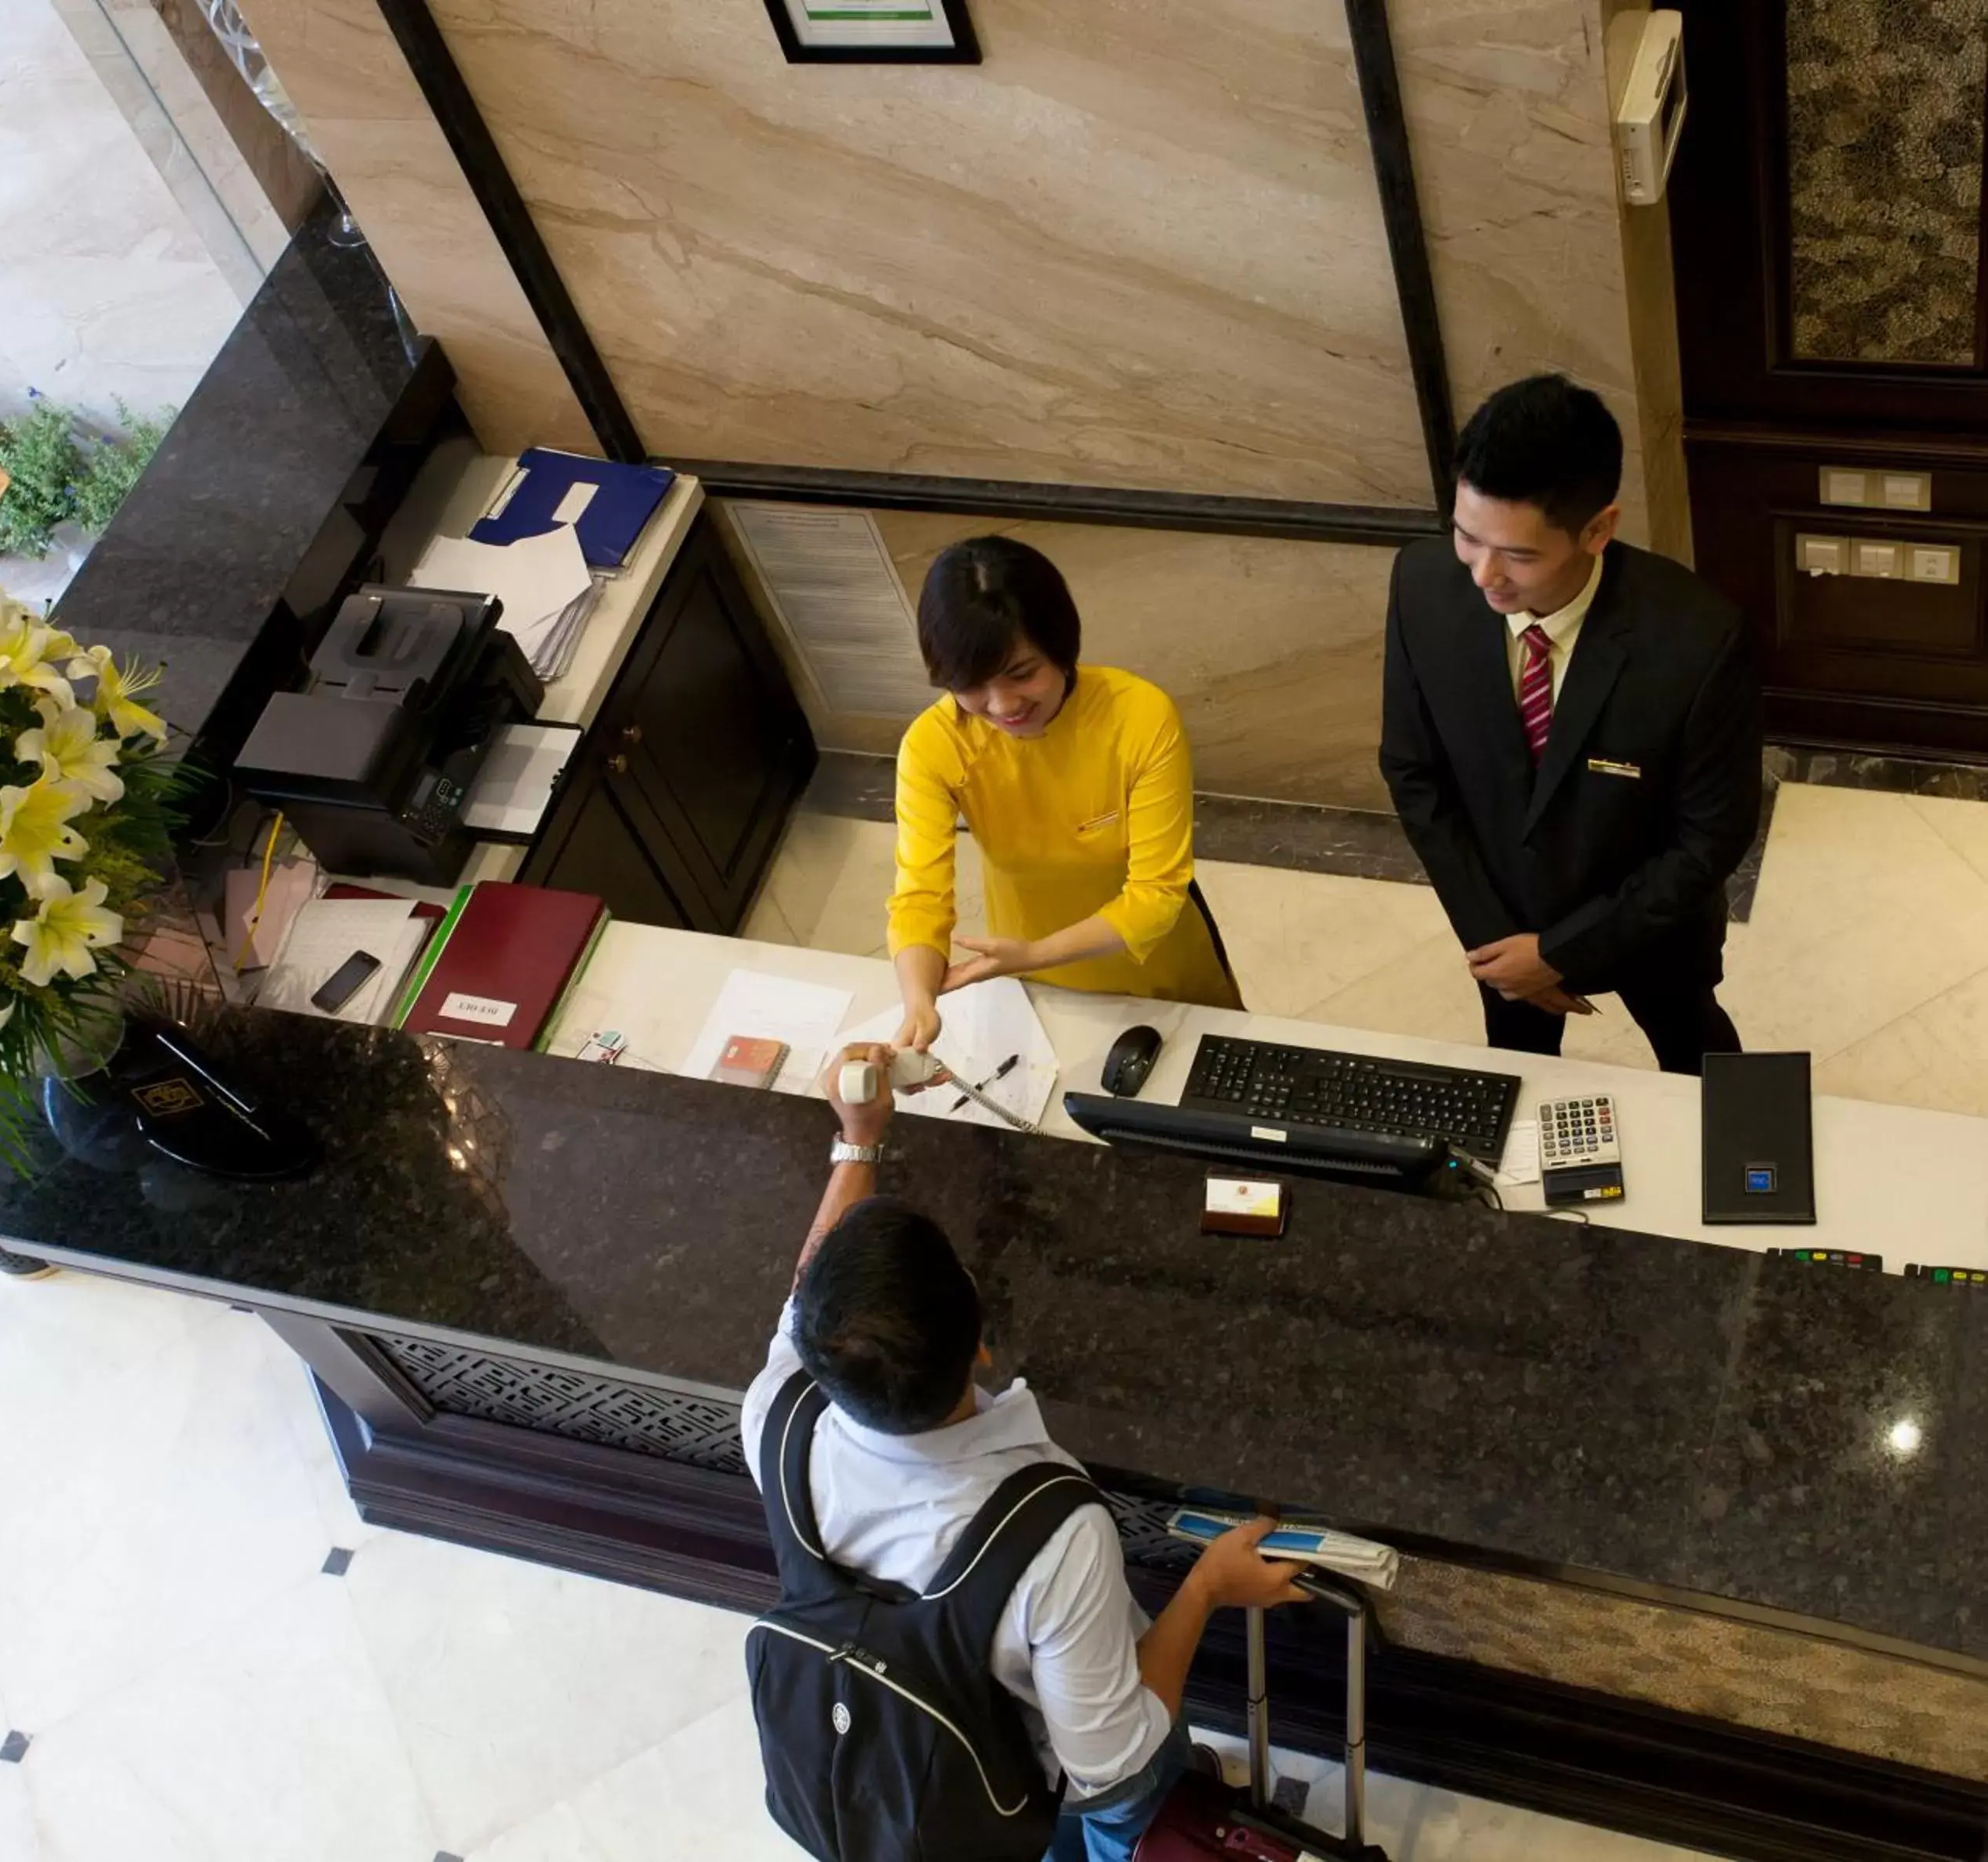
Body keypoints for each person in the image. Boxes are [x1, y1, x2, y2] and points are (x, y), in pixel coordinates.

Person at [742, 1042, 1305, 1860]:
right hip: (1020, 1789)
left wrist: (857, 1140)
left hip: (881, 1760)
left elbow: (810, 1299)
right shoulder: (1046, 1533)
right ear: (978, 1342)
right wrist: (1207, 1587)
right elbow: (1108, 1768)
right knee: (1130, 1798)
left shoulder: (778, 1414)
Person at [1378, 374, 1763, 1075]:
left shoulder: (1699, 639)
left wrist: (1560, 953)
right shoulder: (1422, 585)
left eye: (1520, 556)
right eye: (1467, 537)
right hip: (1500, 917)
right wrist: (1500, 942)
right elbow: (1414, 771)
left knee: (1695, 1048)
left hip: (1651, 929)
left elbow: (1710, 839)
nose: (1484, 577)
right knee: (1520, 1083)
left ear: (1598, 529)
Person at [887, 537, 1242, 1052]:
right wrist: (919, 998)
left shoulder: (1139, 715)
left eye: (1023, 674)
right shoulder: (932, 745)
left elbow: (1157, 893)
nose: (1003, 705)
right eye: (972, 684)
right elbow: (920, 896)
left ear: (1062, 644)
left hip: (1152, 958)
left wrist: (1035, 954)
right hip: (1030, 962)